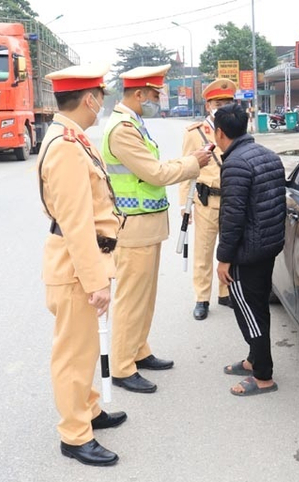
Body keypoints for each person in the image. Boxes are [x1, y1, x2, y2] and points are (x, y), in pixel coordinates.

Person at [102, 64, 211, 394]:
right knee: (132, 299)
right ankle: (122, 366)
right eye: (152, 95)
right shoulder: (122, 128)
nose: (156, 100)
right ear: (138, 94)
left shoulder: (135, 122)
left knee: (145, 297)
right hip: (132, 227)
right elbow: (155, 173)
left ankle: (138, 350)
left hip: (146, 225)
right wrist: (193, 162)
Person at [38, 63, 126, 467]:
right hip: (75, 268)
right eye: (101, 99)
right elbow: (76, 224)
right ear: (89, 99)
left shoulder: (72, 138)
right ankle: (74, 434)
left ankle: (89, 410)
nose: (101, 106)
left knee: (87, 348)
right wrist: (96, 282)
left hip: (83, 262)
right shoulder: (65, 148)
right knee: (73, 355)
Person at [214, 103, 286, 396]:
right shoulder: (267, 155)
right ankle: (254, 358)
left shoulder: (235, 164)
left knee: (249, 313)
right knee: (257, 308)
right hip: (267, 246)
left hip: (247, 252)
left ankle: (263, 376)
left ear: (219, 133)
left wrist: (224, 259)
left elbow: (232, 216)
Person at [178, 78, 237, 321]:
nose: (222, 106)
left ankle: (225, 293)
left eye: (227, 102)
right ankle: (202, 298)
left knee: (230, 249)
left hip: (233, 200)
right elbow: (185, 168)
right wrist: (185, 205)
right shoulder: (194, 134)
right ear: (208, 105)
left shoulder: (237, 128)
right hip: (206, 200)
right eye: (218, 102)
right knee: (203, 251)